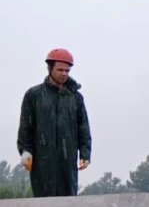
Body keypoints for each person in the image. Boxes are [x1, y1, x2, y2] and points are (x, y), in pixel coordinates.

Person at [17, 48, 92, 197]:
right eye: (60, 70)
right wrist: (25, 151)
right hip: (42, 161)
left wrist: (85, 153)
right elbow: (26, 127)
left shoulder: (75, 98)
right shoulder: (34, 95)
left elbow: (83, 127)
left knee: (68, 203)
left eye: (67, 71)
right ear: (49, 68)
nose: (64, 74)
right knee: (43, 203)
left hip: (67, 161)